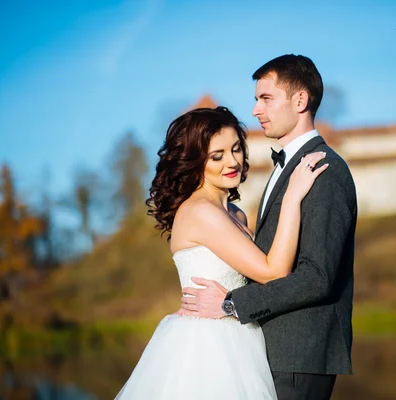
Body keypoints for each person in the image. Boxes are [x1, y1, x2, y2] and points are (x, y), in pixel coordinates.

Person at [115, 106, 328, 399]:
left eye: (237, 149)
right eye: (217, 156)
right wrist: (292, 197)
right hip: (210, 346)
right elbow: (274, 272)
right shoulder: (201, 211)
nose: (233, 161)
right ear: (195, 161)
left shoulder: (235, 214)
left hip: (241, 333)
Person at [180, 55, 357, 399]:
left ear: (300, 100)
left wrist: (231, 304)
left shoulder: (325, 171)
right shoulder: (288, 170)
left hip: (298, 353)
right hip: (268, 352)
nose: (256, 110)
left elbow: (316, 278)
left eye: (266, 98)